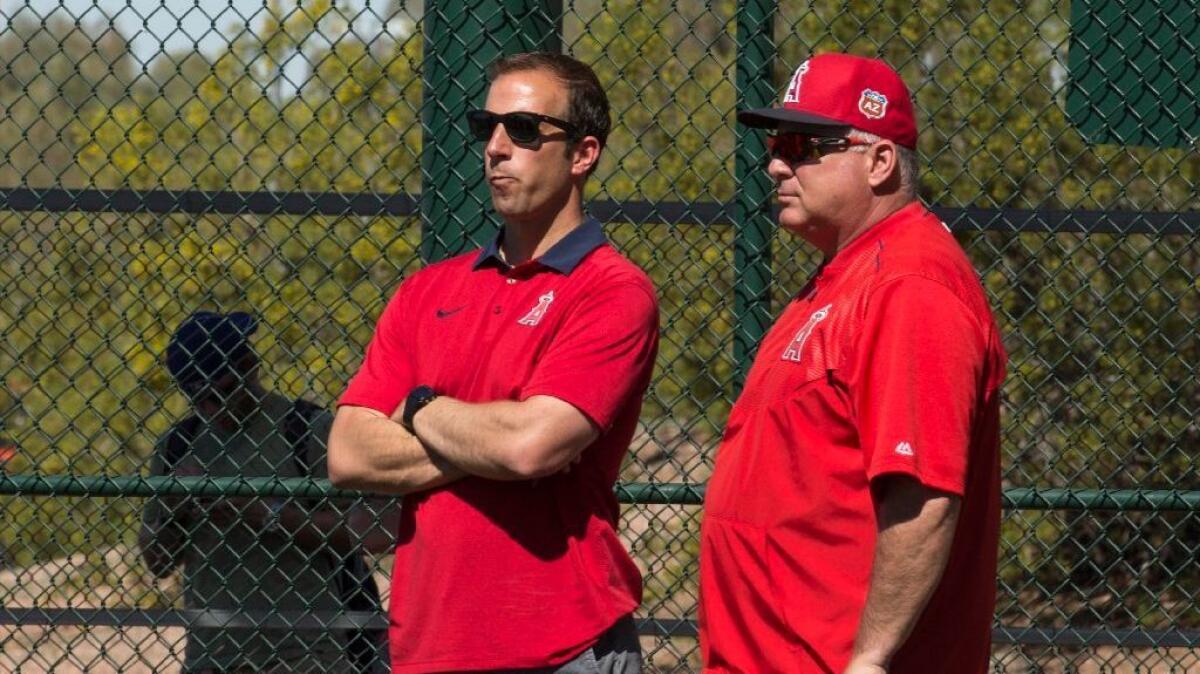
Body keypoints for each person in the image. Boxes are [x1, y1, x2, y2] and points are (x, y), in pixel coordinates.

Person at [328, 51, 658, 673]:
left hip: (565, 648)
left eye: (526, 130)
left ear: (584, 153)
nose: (498, 148)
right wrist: (490, 437)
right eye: (490, 127)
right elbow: (348, 451)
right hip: (430, 650)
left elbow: (532, 447)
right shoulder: (427, 291)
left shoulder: (613, 291)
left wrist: (419, 407)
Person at [699, 53, 1008, 674]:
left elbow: (922, 499)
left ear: (880, 162)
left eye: (803, 144)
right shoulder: (846, 276)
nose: (776, 162)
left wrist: (869, 661)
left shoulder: (910, 287)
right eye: (777, 143)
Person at [139, 310, 394, 674]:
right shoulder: (178, 447)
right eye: (201, 399)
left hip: (308, 651)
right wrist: (176, 507)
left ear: (250, 366)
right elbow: (157, 562)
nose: (215, 409)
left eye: (224, 391)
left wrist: (273, 515)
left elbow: (376, 529)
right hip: (214, 655)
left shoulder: (304, 429)